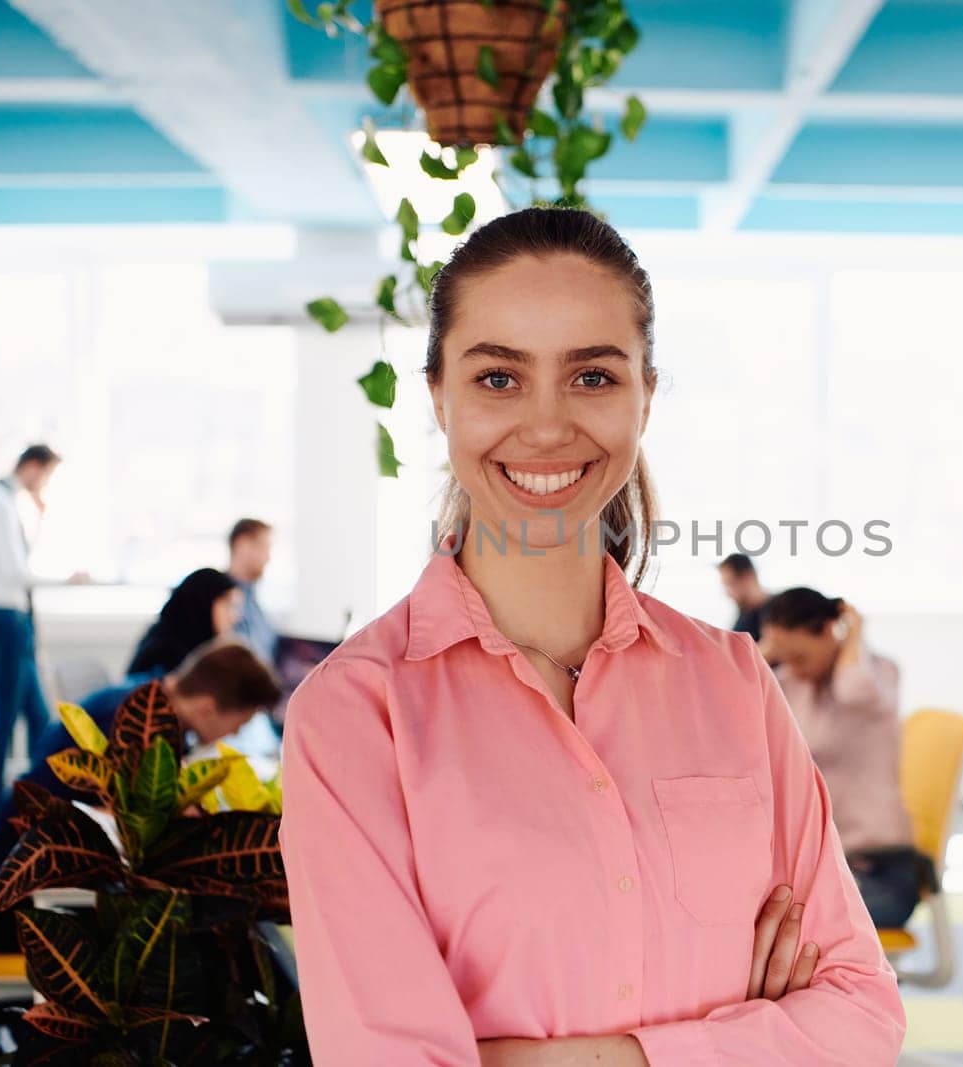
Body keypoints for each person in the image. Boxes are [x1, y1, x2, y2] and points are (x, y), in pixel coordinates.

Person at [280, 208, 906, 1065]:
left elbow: (862, 1016)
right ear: (438, 396)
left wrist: (543, 1054)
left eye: (592, 378)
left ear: (645, 393)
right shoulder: (356, 713)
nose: (545, 427)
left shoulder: (732, 680)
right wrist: (740, 1040)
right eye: (498, 378)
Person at [0, 639, 282, 952]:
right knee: (199, 933)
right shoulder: (131, 728)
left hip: (39, 883)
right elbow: (130, 822)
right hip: (8, 898)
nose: (236, 733)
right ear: (208, 707)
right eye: (240, 722)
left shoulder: (146, 702)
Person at [759, 589, 922, 930]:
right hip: (820, 868)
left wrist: (854, 634)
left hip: (880, 870)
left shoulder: (877, 676)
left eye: (800, 656)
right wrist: (762, 653)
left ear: (830, 631)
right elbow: (733, 705)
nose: (792, 667)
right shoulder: (792, 683)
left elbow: (853, 690)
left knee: (781, 930)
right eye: (783, 658)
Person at [0, 444, 88, 817]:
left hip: (8, 618)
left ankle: (46, 798)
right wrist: (66, 582)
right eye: (47, 475)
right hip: (5, 618)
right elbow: (15, 572)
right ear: (33, 467)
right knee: (5, 715)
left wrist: (39, 518)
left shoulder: (5, 505)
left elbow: (17, 560)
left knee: (38, 717)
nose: (46, 484)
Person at [126, 567, 244, 680]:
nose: (236, 617)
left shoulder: (200, 651)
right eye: (229, 606)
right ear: (203, 605)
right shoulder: (163, 656)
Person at [228, 517, 279, 665]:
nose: (268, 558)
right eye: (264, 548)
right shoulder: (223, 601)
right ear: (242, 545)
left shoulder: (253, 600)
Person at [718, 553, 771, 642]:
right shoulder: (743, 620)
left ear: (748, 576)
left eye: (731, 584)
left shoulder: (781, 612)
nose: (728, 594)